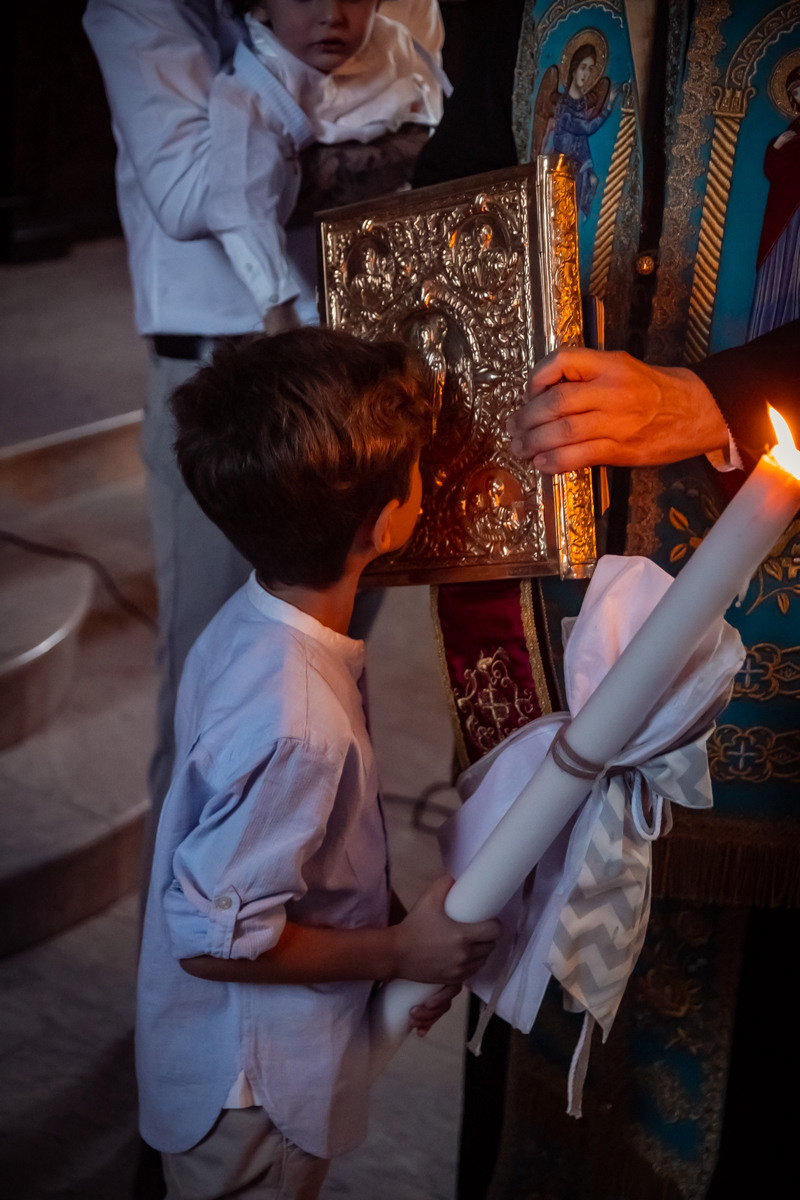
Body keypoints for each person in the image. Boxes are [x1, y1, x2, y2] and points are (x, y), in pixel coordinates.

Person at [136, 326, 500, 1199]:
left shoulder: (254, 617)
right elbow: (217, 942)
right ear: (384, 524)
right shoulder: (297, 719)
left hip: (232, 1061)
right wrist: (394, 948)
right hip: (252, 1095)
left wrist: (391, 922)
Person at [83, 0, 446, 822]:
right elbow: (185, 198)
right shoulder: (143, 10)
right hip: (230, 378)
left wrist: (298, 134)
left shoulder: (389, 8)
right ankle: (194, 944)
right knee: (223, 713)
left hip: (358, 362)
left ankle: (330, 920)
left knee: (331, 674)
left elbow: (431, 130)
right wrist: (356, 124)